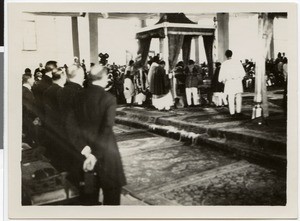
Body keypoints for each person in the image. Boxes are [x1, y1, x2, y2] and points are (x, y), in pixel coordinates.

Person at [74, 64, 126, 205]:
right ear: (105, 78)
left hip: (84, 155)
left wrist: (85, 150)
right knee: (112, 200)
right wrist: (95, 155)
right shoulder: (109, 98)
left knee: (89, 200)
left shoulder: (78, 96)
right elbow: (106, 129)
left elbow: (71, 126)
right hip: (107, 155)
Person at [218, 50, 246, 116]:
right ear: (232, 54)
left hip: (229, 82)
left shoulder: (224, 64)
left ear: (226, 55)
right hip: (237, 81)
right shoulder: (237, 62)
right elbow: (243, 73)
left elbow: (221, 75)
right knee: (238, 97)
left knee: (231, 97)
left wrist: (222, 80)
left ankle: (232, 112)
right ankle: (238, 111)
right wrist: (240, 78)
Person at [22, 73, 39, 145]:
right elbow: (29, 108)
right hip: (29, 119)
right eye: (32, 79)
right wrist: (35, 117)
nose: (34, 81)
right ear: (28, 80)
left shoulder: (24, 89)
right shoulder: (27, 92)